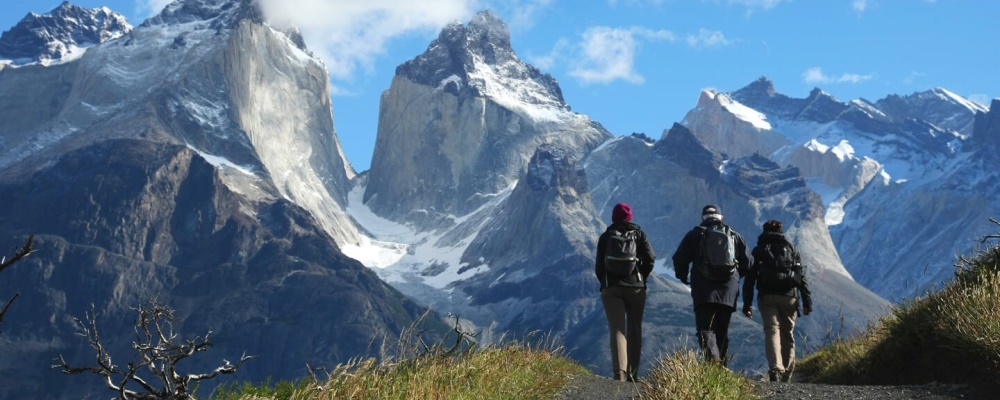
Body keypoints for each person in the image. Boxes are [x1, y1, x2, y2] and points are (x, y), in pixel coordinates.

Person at [672, 204, 752, 366]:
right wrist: (735, 277)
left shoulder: (694, 235)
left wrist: (682, 276)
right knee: (722, 330)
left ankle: (713, 363)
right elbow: (749, 263)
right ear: (721, 218)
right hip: (728, 290)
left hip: (703, 289)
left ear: (703, 218)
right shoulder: (734, 236)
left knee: (706, 329)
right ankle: (722, 367)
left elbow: (679, 259)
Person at [742, 219, 813, 382]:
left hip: (767, 297)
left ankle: (775, 369)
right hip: (790, 297)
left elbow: (750, 280)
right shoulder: (792, 249)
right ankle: (787, 373)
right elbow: (802, 277)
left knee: (772, 331)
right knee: (787, 333)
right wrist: (807, 303)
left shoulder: (759, 250)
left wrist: (747, 304)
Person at [595, 202, 656, 381]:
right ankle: (633, 373)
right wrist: (641, 277)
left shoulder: (606, 237)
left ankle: (619, 373)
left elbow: (599, 265)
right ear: (630, 218)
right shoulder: (639, 235)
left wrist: (605, 283)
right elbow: (651, 258)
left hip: (611, 288)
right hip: (635, 287)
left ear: (613, 217)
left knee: (617, 329)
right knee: (635, 328)